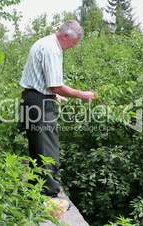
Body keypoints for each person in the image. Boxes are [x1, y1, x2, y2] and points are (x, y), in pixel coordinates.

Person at [19, 20, 96, 202]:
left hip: (32, 98)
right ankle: (50, 196)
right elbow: (55, 85)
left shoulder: (45, 42)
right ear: (65, 36)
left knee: (37, 149)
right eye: (73, 43)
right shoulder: (52, 49)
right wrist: (82, 94)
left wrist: (53, 96)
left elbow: (43, 82)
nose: (72, 47)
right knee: (48, 151)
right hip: (39, 103)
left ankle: (36, 190)